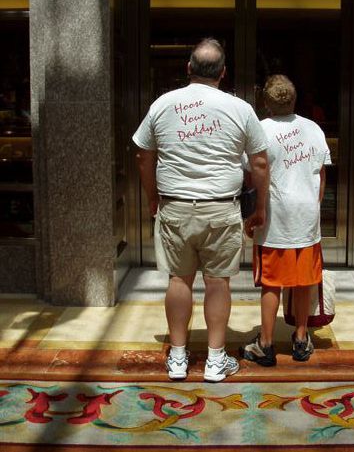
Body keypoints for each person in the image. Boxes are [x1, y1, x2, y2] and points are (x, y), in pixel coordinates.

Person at [132, 38, 269, 382]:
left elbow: (143, 156)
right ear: (223, 73)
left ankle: (178, 358)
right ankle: (215, 360)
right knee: (217, 283)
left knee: (178, 280)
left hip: (175, 206)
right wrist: (261, 207)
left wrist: (152, 197)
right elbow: (261, 162)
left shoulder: (163, 104)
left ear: (188, 69)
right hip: (221, 210)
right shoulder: (239, 108)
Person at [241, 74, 331, 366]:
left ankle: (266, 344)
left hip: (274, 218)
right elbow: (321, 177)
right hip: (305, 218)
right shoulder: (313, 129)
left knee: (271, 283)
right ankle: (301, 340)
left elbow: (253, 175)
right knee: (304, 282)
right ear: (294, 100)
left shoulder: (260, 131)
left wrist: (253, 213)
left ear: (266, 103)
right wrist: (313, 207)